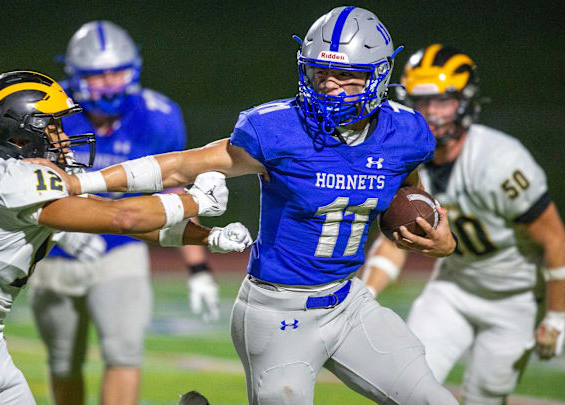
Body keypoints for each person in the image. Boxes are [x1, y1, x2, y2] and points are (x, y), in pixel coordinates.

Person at [41, 7, 460, 404]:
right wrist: (80, 182)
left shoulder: (406, 132)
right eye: (321, 74)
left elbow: (406, 190)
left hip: (350, 303)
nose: (330, 87)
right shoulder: (278, 129)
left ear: (379, 76)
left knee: (433, 399)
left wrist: (436, 234)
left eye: (346, 77)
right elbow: (179, 168)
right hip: (278, 312)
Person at [0, 70, 252, 405]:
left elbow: (113, 214)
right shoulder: (11, 181)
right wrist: (193, 200)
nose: (65, 138)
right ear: (20, 135)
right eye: (53, 127)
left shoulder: (13, 179)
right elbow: (123, 217)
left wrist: (208, 237)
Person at [27, 21, 221, 405]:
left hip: (122, 248)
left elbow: (176, 193)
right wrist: (59, 233)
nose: (109, 84)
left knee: (125, 354)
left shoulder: (159, 116)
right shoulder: (51, 114)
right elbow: (26, 185)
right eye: (98, 76)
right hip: (54, 254)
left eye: (115, 72)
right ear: (77, 77)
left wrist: (198, 267)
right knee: (64, 361)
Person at [362, 44, 565, 404]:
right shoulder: (407, 157)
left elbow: (554, 239)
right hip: (452, 287)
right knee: (405, 385)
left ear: (466, 101)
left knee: (484, 396)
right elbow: (396, 241)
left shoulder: (500, 161)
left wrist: (556, 316)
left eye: (442, 101)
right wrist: (367, 295)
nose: (431, 113)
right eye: (421, 102)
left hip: (515, 299)